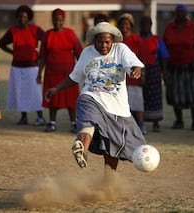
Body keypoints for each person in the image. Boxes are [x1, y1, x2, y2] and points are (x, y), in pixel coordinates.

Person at [45, 22, 146, 170]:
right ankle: (81, 149)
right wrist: (56, 88)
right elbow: (75, 76)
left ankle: (109, 181)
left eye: (107, 42)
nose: (104, 45)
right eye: (100, 42)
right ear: (95, 41)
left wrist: (135, 69)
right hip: (91, 96)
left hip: (117, 107)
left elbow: (133, 63)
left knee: (114, 147)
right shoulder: (87, 53)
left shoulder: (121, 49)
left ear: (113, 41)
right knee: (88, 115)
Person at [37, 8, 83, 133]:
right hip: (52, 73)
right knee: (53, 97)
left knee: (71, 99)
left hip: (69, 74)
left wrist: (83, 69)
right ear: (52, 20)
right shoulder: (48, 34)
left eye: (60, 20)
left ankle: (73, 123)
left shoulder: (70, 34)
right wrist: (39, 73)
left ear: (63, 20)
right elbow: (43, 56)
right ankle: (52, 122)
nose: (57, 22)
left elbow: (79, 52)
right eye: (55, 19)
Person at [0, 5, 46, 126]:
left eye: (24, 17)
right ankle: (23, 117)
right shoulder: (13, 31)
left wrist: (40, 54)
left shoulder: (35, 30)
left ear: (28, 18)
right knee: (21, 93)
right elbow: (1, 43)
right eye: (20, 17)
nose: (22, 19)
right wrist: (12, 52)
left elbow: (46, 40)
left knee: (35, 92)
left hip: (32, 66)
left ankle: (40, 117)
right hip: (17, 67)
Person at [163, 3, 194, 131]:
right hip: (174, 67)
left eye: (182, 12)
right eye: (178, 12)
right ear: (175, 13)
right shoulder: (169, 28)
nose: (180, 14)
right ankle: (179, 121)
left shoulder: (193, 27)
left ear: (186, 13)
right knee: (175, 94)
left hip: (191, 66)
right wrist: (164, 70)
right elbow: (164, 49)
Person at [118, 13, 148, 134]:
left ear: (131, 25)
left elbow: (142, 58)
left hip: (134, 76)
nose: (124, 26)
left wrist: (143, 74)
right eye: (122, 24)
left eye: (127, 24)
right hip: (120, 77)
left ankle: (141, 124)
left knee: (137, 102)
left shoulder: (136, 39)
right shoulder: (117, 40)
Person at [139, 16, 169, 132]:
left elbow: (164, 57)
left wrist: (164, 73)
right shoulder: (137, 39)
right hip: (140, 71)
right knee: (141, 96)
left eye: (148, 24)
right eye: (143, 24)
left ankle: (156, 121)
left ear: (151, 25)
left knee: (155, 97)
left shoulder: (157, 40)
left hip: (154, 71)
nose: (146, 26)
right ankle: (141, 121)